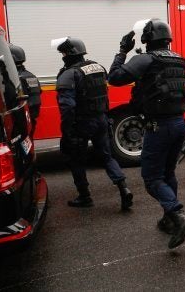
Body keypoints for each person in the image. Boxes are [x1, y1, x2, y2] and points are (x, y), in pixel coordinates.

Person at [107, 19, 185, 249]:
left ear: (147, 40)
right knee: (168, 173)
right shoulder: (179, 59)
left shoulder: (146, 59)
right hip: (179, 125)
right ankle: (168, 219)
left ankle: (178, 217)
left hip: (159, 127)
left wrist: (122, 52)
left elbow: (114, 78)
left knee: (152, 179)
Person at [54, 36, 133, 210]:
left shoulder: (68, 74)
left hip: (81, 123)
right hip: (101, 120)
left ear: (70, 53)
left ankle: (85, 197)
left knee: (76, 160)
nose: (62, 56)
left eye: (64, 53)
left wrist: (67, 132)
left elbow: (67, 107)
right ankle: (123, 188)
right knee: (106, 157)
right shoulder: (98, 67)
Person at [9, 44, 42, 137]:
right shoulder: (31, 75)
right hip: (31, 118)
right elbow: (38, 93)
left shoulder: (16, 78)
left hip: (20, 121)